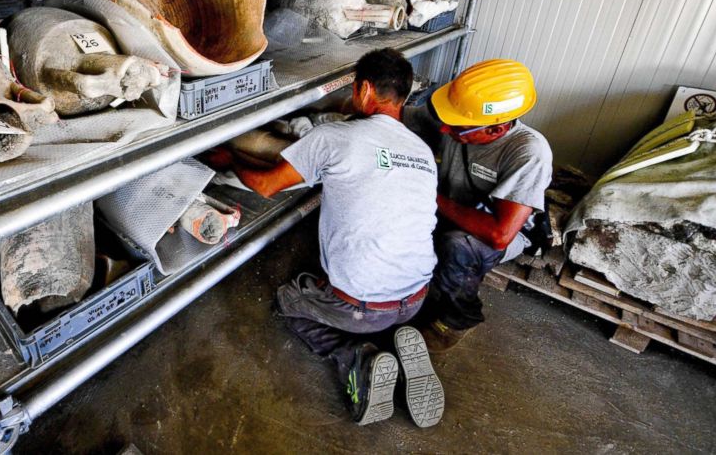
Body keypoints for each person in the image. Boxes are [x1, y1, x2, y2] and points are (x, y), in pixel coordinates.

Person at [223, 48, 445, 428]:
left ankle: (357, 355)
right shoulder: (422, 152)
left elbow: (265, 185)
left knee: (288, 302)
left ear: (364, 90)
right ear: (404, 97)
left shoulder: (335, 136)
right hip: (418, 295)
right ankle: (399, 340)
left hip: (362, 308)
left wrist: (229, 161)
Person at [404, 59, 553, 353]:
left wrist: (431, 199)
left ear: (495, 130)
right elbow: (396, 115)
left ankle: (456, 320)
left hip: (495, 232)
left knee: (459, 246)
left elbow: (500, 234)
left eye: (457, 127)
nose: (445, 130)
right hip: (450, 209)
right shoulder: (458, 120)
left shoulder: (527, 152)